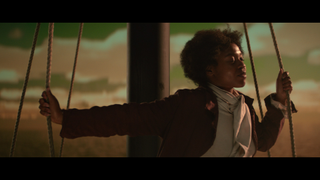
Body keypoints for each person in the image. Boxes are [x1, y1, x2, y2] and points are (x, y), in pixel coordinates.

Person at [39, 28, 296, 157]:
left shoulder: (246, 108)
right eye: (231, 59)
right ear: (209, 70)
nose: (242, 64)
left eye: (241, 58)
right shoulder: (186, 105)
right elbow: (127, 117)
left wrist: (280, 100)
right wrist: (65, 117)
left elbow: (262, 140)